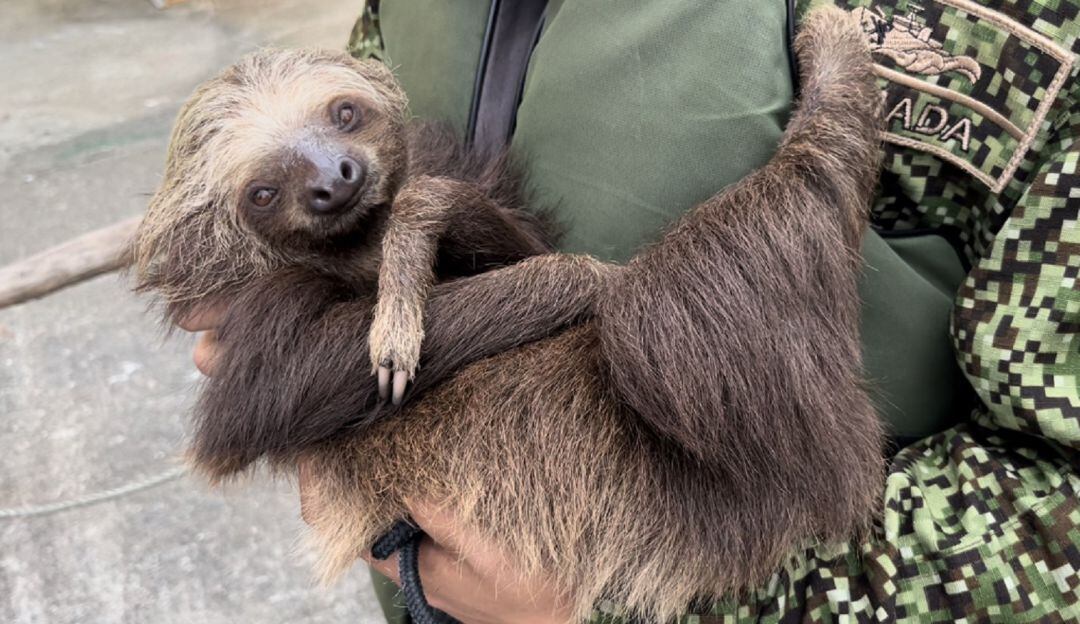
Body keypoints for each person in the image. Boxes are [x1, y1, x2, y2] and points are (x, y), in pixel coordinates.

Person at [181, 0, 1080, 622]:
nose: (334, 170)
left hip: (700, 507)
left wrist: (631, 609)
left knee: (684, 306)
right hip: (466, 519)